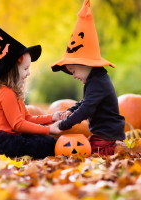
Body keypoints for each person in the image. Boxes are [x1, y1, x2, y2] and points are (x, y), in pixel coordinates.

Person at [0, 12, 63, 159]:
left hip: (14, 137)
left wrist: (51, 117)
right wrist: (48, 130)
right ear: (12, 71)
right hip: (3, 142)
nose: (28, 74)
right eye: (25, 69)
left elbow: (27, 118)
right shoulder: (5, 92)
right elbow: (18, 125)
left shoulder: (14, 92)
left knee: (47, 143)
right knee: (45, 145)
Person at [50, 0, 125, 156]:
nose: (73, 76)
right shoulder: (96, 79)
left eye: (73, 71)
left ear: (84, 64)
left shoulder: (98, 82)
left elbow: (87, 109)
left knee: (90, 153)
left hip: (107, 136)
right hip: (103, 133)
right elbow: (85, 102)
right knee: (86, 147)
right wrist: (71, 110)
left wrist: (64, 125)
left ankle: (114, 149)